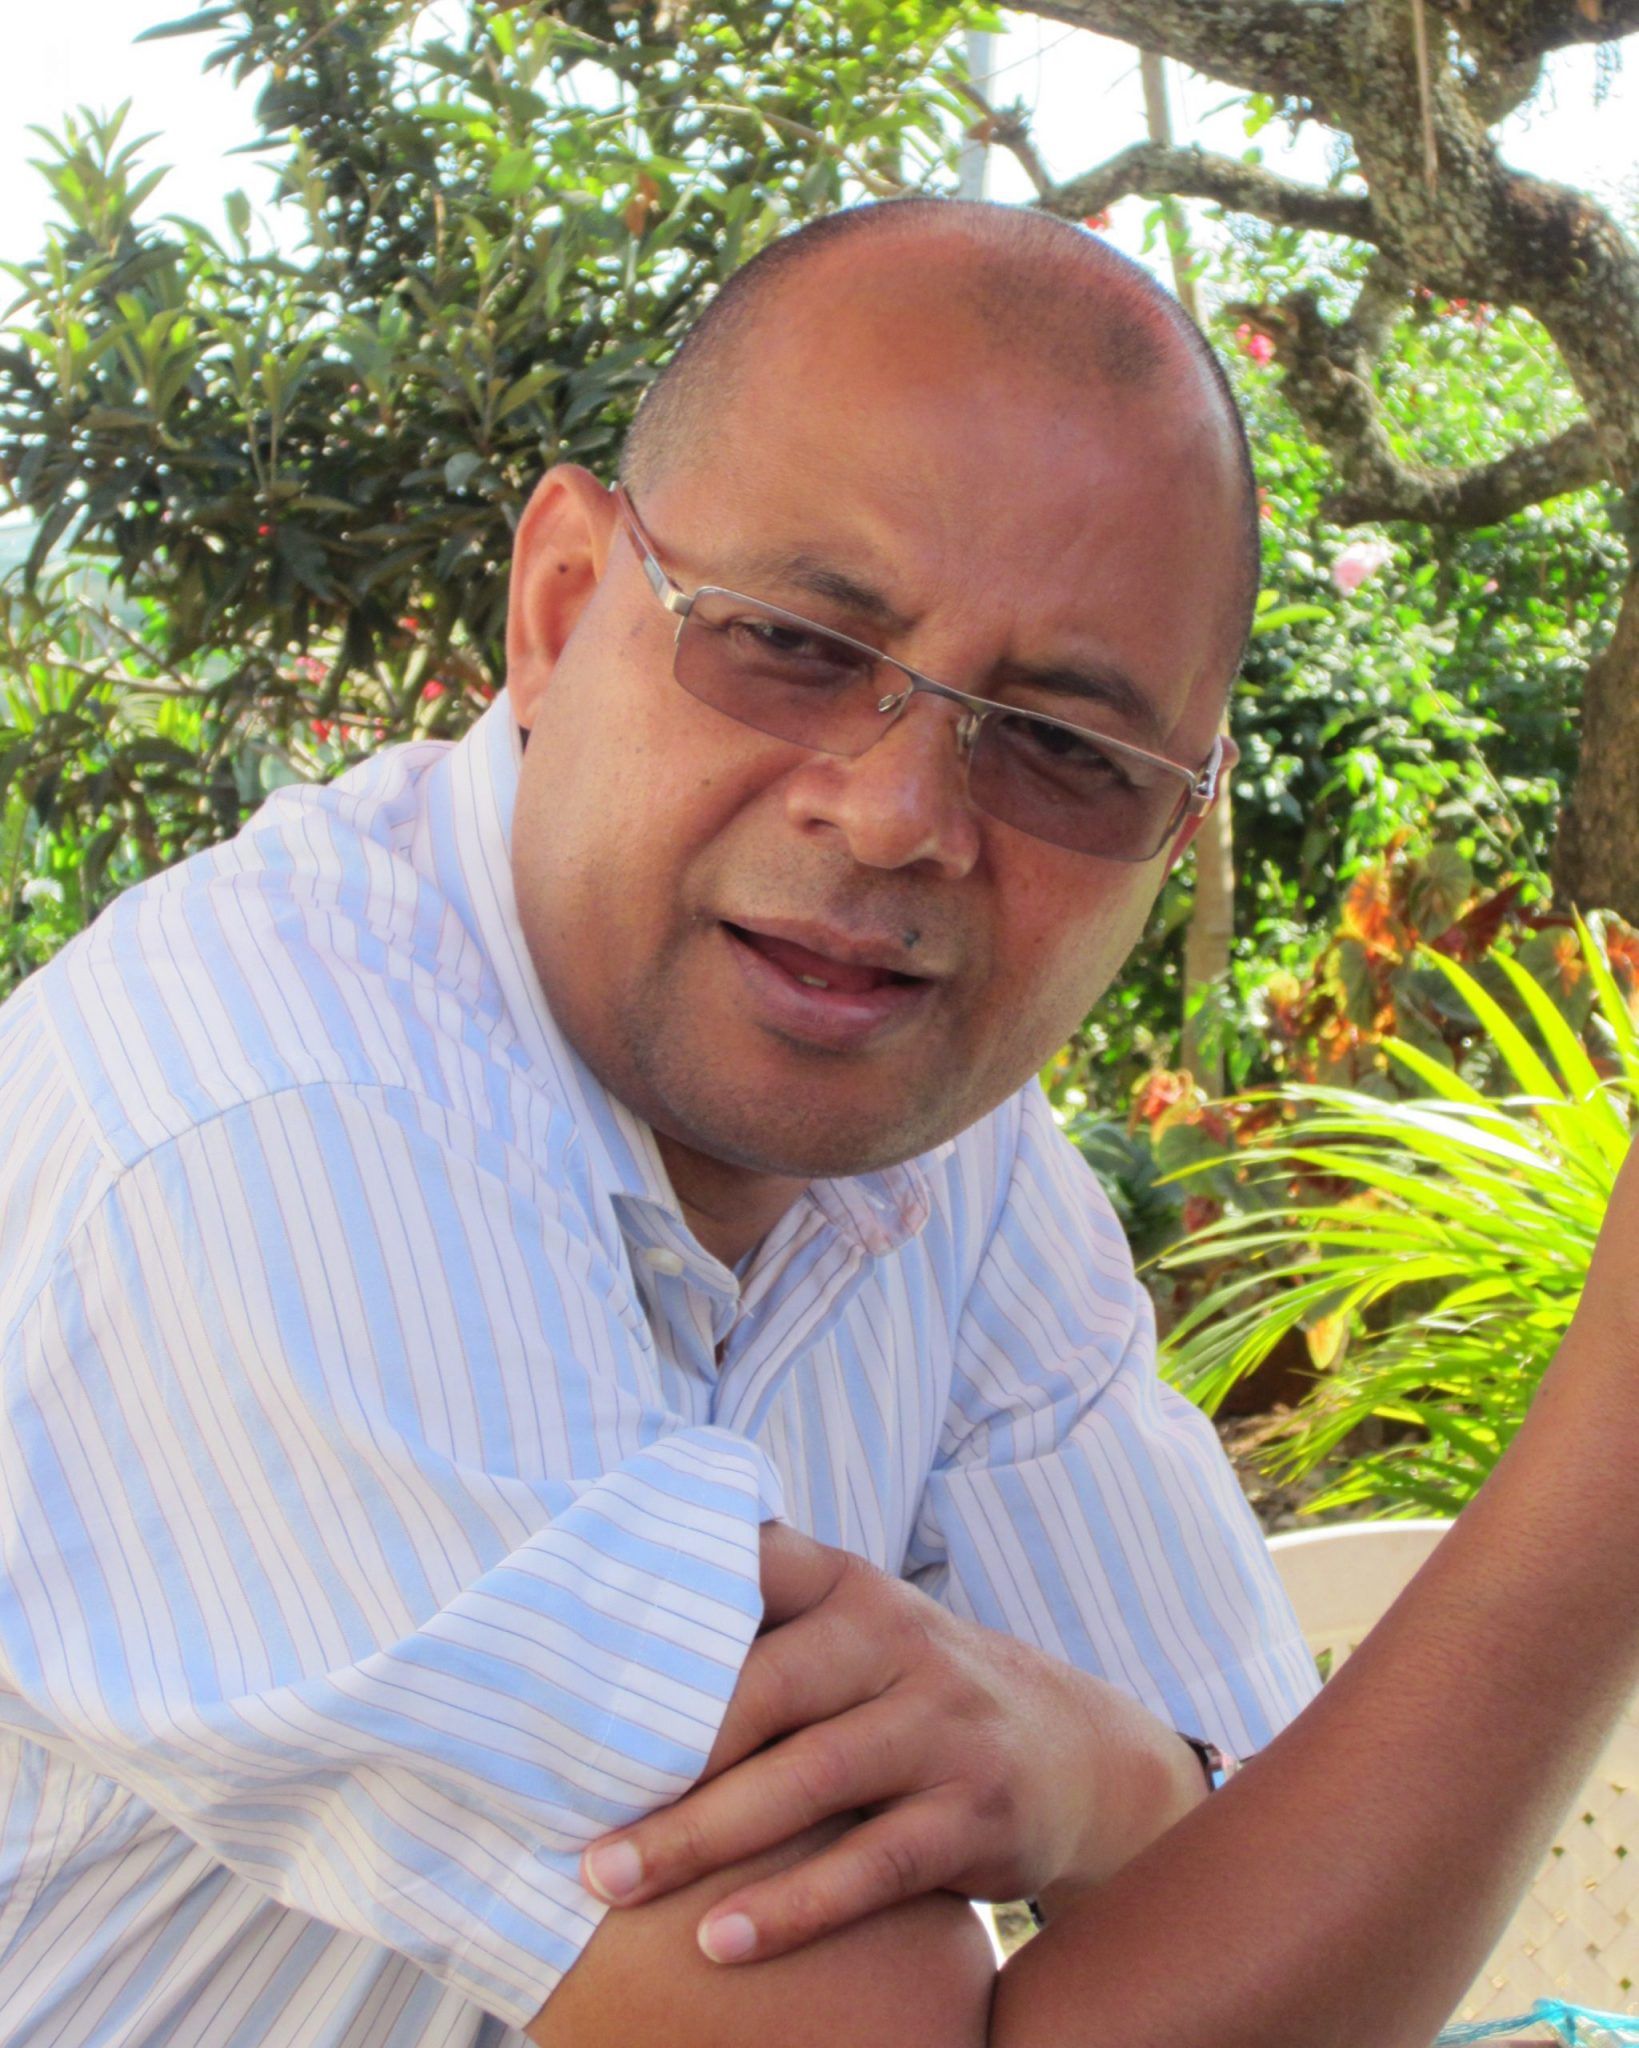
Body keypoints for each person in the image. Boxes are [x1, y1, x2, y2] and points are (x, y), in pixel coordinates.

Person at [0, 195, 1625, 2048]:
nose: (900, 815)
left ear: (1175, 830)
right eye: (789, 641)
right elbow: (907, 2028)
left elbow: (1275, 1877)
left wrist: (1104, 1771)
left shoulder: (944, 1147)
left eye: (1065, 750)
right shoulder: (269, 1143)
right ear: (559, 613)